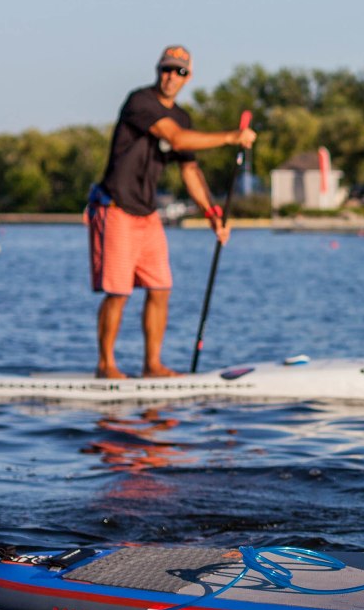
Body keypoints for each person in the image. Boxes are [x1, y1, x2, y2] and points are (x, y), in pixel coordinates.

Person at [87, 45, 256, 379]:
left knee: (160, 288)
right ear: (158, 71)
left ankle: (152, 365)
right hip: (115, 207)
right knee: (118, 292)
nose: (171, 77)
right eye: (166, 69)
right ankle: (106, 366)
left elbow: (190, 172)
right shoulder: (140, 102)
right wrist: (230, 137)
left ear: (188, 77)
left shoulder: (182, 117)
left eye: (179, 72)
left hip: (147, 214)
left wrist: (212, 214)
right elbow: (176, 139)